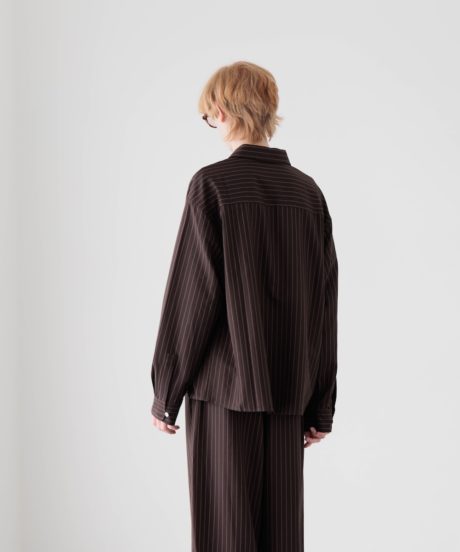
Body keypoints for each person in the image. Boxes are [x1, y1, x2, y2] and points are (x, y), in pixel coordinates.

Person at [149, 60, 339, 552]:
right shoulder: (308, 194)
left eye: (207, 116)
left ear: (222, 112)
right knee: (282, 538)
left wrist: (166, 393)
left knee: (224, 535)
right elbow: (324, 305)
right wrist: (321, 403)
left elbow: (192, 296)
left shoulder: (212, 185)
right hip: (289, 392)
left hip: (224, 393)